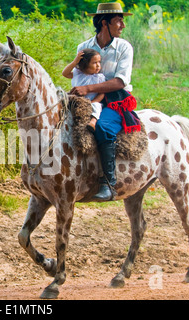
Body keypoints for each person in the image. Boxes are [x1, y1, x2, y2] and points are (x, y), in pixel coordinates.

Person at [69, 2, 140, 201]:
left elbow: (120, 81)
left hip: (115, 99)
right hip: (86, 97)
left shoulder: (124, 47)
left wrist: (89, 88)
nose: (123, 25)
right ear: (104, 23)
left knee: (104, 127)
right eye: (119, 21)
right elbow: (75, 74)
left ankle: (108, 183)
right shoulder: (83, 48)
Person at [62, 48, 106, 133]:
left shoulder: (100, 78)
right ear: (85, 64)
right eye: (94, 63)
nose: (98, 65)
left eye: (99, 62)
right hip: (76, 101)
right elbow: (65, 73)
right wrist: (75, 62)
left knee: (97, 106)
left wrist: (92, 102)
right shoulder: (78, 73)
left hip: (91, 102)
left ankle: (93, 122)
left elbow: (102, 93)